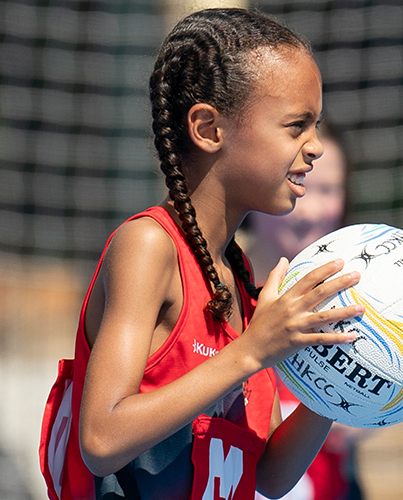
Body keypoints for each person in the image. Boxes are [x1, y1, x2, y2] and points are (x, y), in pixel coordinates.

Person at [39, 8, 366, 500]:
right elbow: (101, 440)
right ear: (209, 128)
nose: (315, 146)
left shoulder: (238, 276)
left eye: (316, 125)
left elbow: (270, 477)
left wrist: (341, 388)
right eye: (296, 126)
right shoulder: (150, 246)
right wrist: (253, 351)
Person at [242, 122, 366, 500]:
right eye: (302, 185)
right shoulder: (217, 284)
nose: (310, 210)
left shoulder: (366, 286)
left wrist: (370, 415)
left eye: (329, 189)